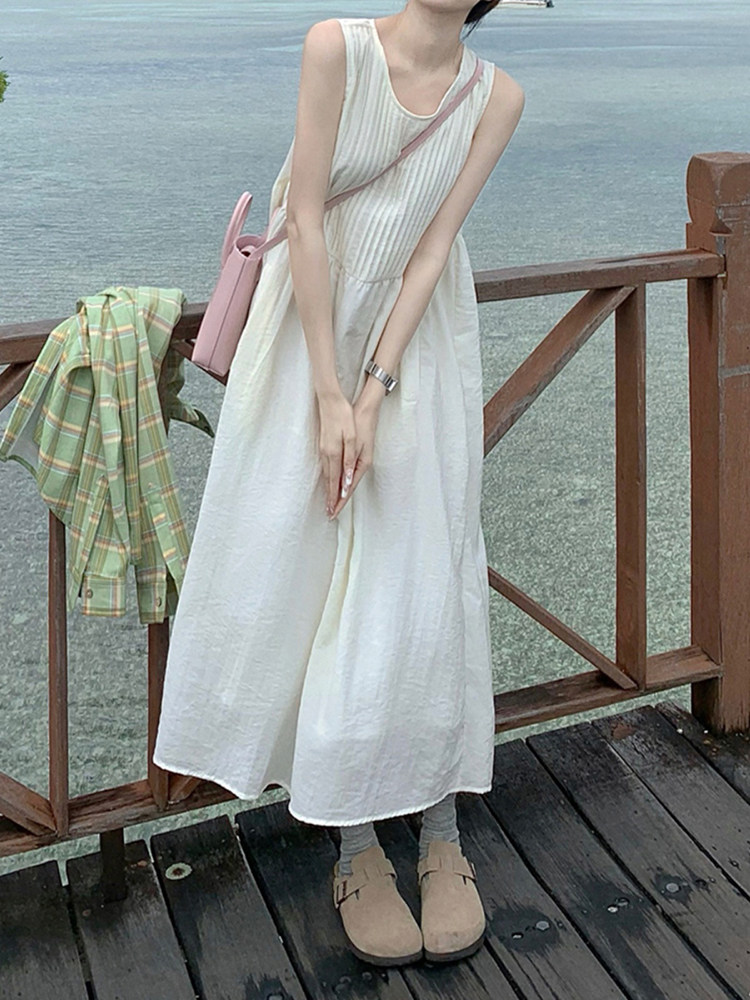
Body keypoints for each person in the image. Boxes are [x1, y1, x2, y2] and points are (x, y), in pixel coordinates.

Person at [152, 0, 524, 967]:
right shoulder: (336, 48)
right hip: (303, 347)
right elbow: (307, 217)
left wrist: (373, 388)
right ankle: (356, 845)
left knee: (422, 587)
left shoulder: (496, 97)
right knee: (305, 582)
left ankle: (439, 830)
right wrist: (329, 393)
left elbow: (432, 249)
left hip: (416, 353)